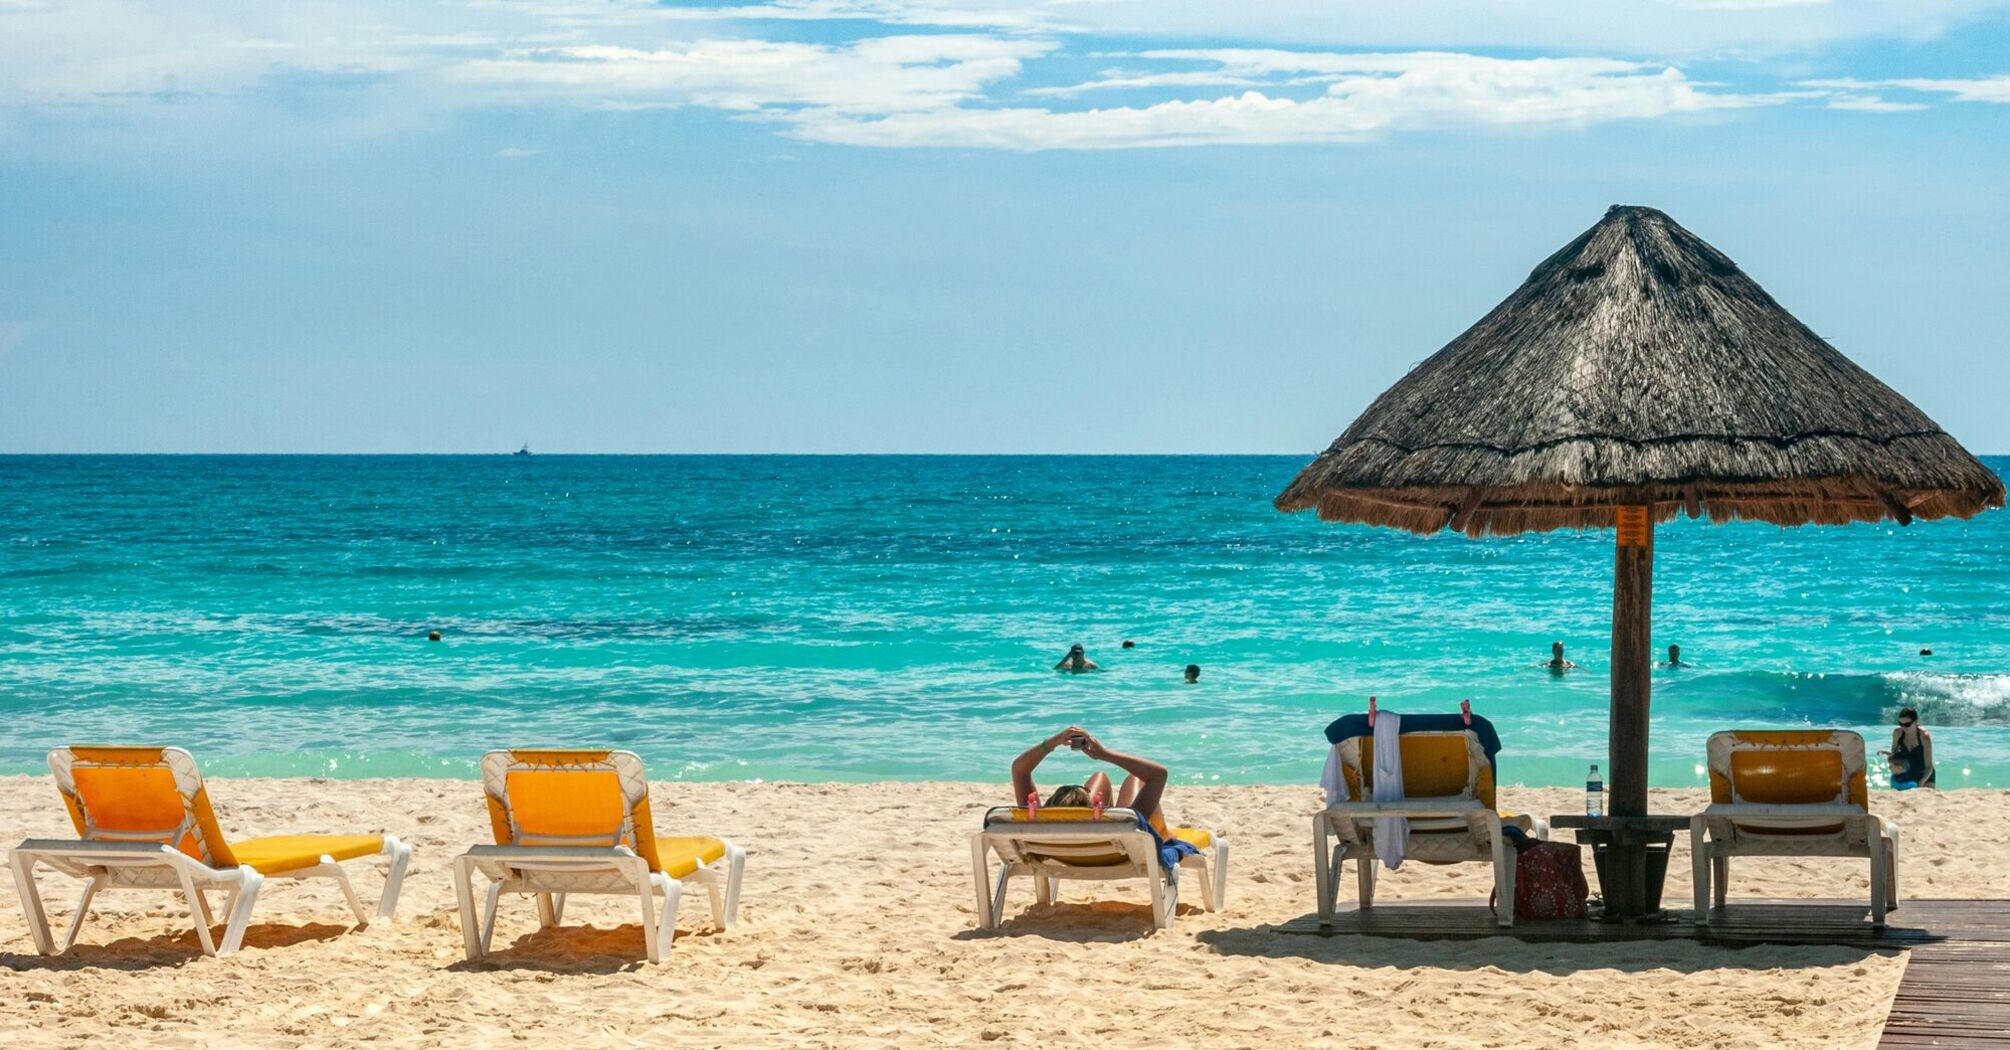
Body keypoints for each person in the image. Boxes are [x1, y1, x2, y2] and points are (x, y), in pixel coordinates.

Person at [1010, 726, 1174, 836]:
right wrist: (1105, 755)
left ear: (1049, 806)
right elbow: (1158, 774)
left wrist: (1054, 741)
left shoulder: (1038, 825)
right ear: (1092, 810)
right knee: (1135, 778)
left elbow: (1019, 770)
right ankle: (1164, 834)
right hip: (1113, 858)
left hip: (1056, 855)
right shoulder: (1126, 826)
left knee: (1099, 777)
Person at [1889, 708, 1937, 789]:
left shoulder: (1924, 737)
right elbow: (1895, 757)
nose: (1903, 727)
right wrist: (1889, 755)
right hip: (1907, 773)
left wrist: (1921, 782)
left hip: (1925, 774)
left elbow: (1929, 767)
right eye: (1900, 724)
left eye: (1907, 724)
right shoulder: (1897, 733)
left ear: (1915, 722)